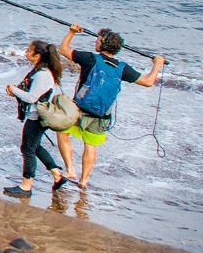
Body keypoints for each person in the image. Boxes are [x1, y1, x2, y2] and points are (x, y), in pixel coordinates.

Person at [58, 25, 165, 187]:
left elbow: (63, 49)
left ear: (102, 44)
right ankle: (84, 181)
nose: (95, 41)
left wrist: (71, 32)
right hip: (102, 115)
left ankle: (70, 169)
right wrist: (158, 64)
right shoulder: (122, 68)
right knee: (91, 145)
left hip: (79, 109)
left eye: (98, 40)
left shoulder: (90, 58)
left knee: (62, 132)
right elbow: (149, 82)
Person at [2, 40, 72, 198]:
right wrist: (16, 91)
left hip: (37, 117)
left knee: (27, 149)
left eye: (28, 50)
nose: (26, 52)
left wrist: (14, 89)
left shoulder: (42, 74)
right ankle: (57, 175)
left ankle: (26, 186)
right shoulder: (41, 71)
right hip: (37, 116)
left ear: (37, 55)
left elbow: (32, 98)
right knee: (35, 147)